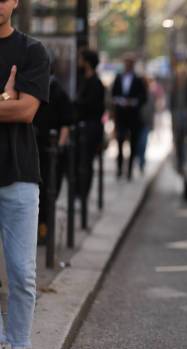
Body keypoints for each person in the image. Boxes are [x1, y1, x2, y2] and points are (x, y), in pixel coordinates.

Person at [0, 0, 51, 349]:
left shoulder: (32, 51)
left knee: (22, 273)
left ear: (15, 2)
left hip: (19, 175)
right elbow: (13, 108)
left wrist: (15, 104)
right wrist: (4, 100)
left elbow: (27, 112)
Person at [33, 49, 74, 244]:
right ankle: (39, 230)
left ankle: (44, 231)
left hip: (50, 152)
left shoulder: (57, 91)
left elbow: (66, 123)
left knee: (50, 192)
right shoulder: (33, 89)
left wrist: (58, 147)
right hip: (35, 150)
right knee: (38, 194)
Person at [75, 48, 106, 199]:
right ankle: (79, 192)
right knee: (80, 160)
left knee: (86, 161)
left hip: (90, 127)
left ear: (87, 62)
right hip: (84, 126)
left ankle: (83, 193)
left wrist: (77, 104)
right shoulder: (83, 79)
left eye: (81, 59)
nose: (78, 62)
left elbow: (93, 106)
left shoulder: (95, 82)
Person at [111, 54, 147, 180]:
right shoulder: (118, 78)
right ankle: (120, 169)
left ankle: (130, 171)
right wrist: (119, 102)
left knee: (133, 144)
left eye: (130, 63)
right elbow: (113, 95)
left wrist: (133, 102)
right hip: (121, 116)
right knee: (120, 143)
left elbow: (143, 97)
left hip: (133, 117)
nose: (127, 65)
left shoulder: (138, 80)